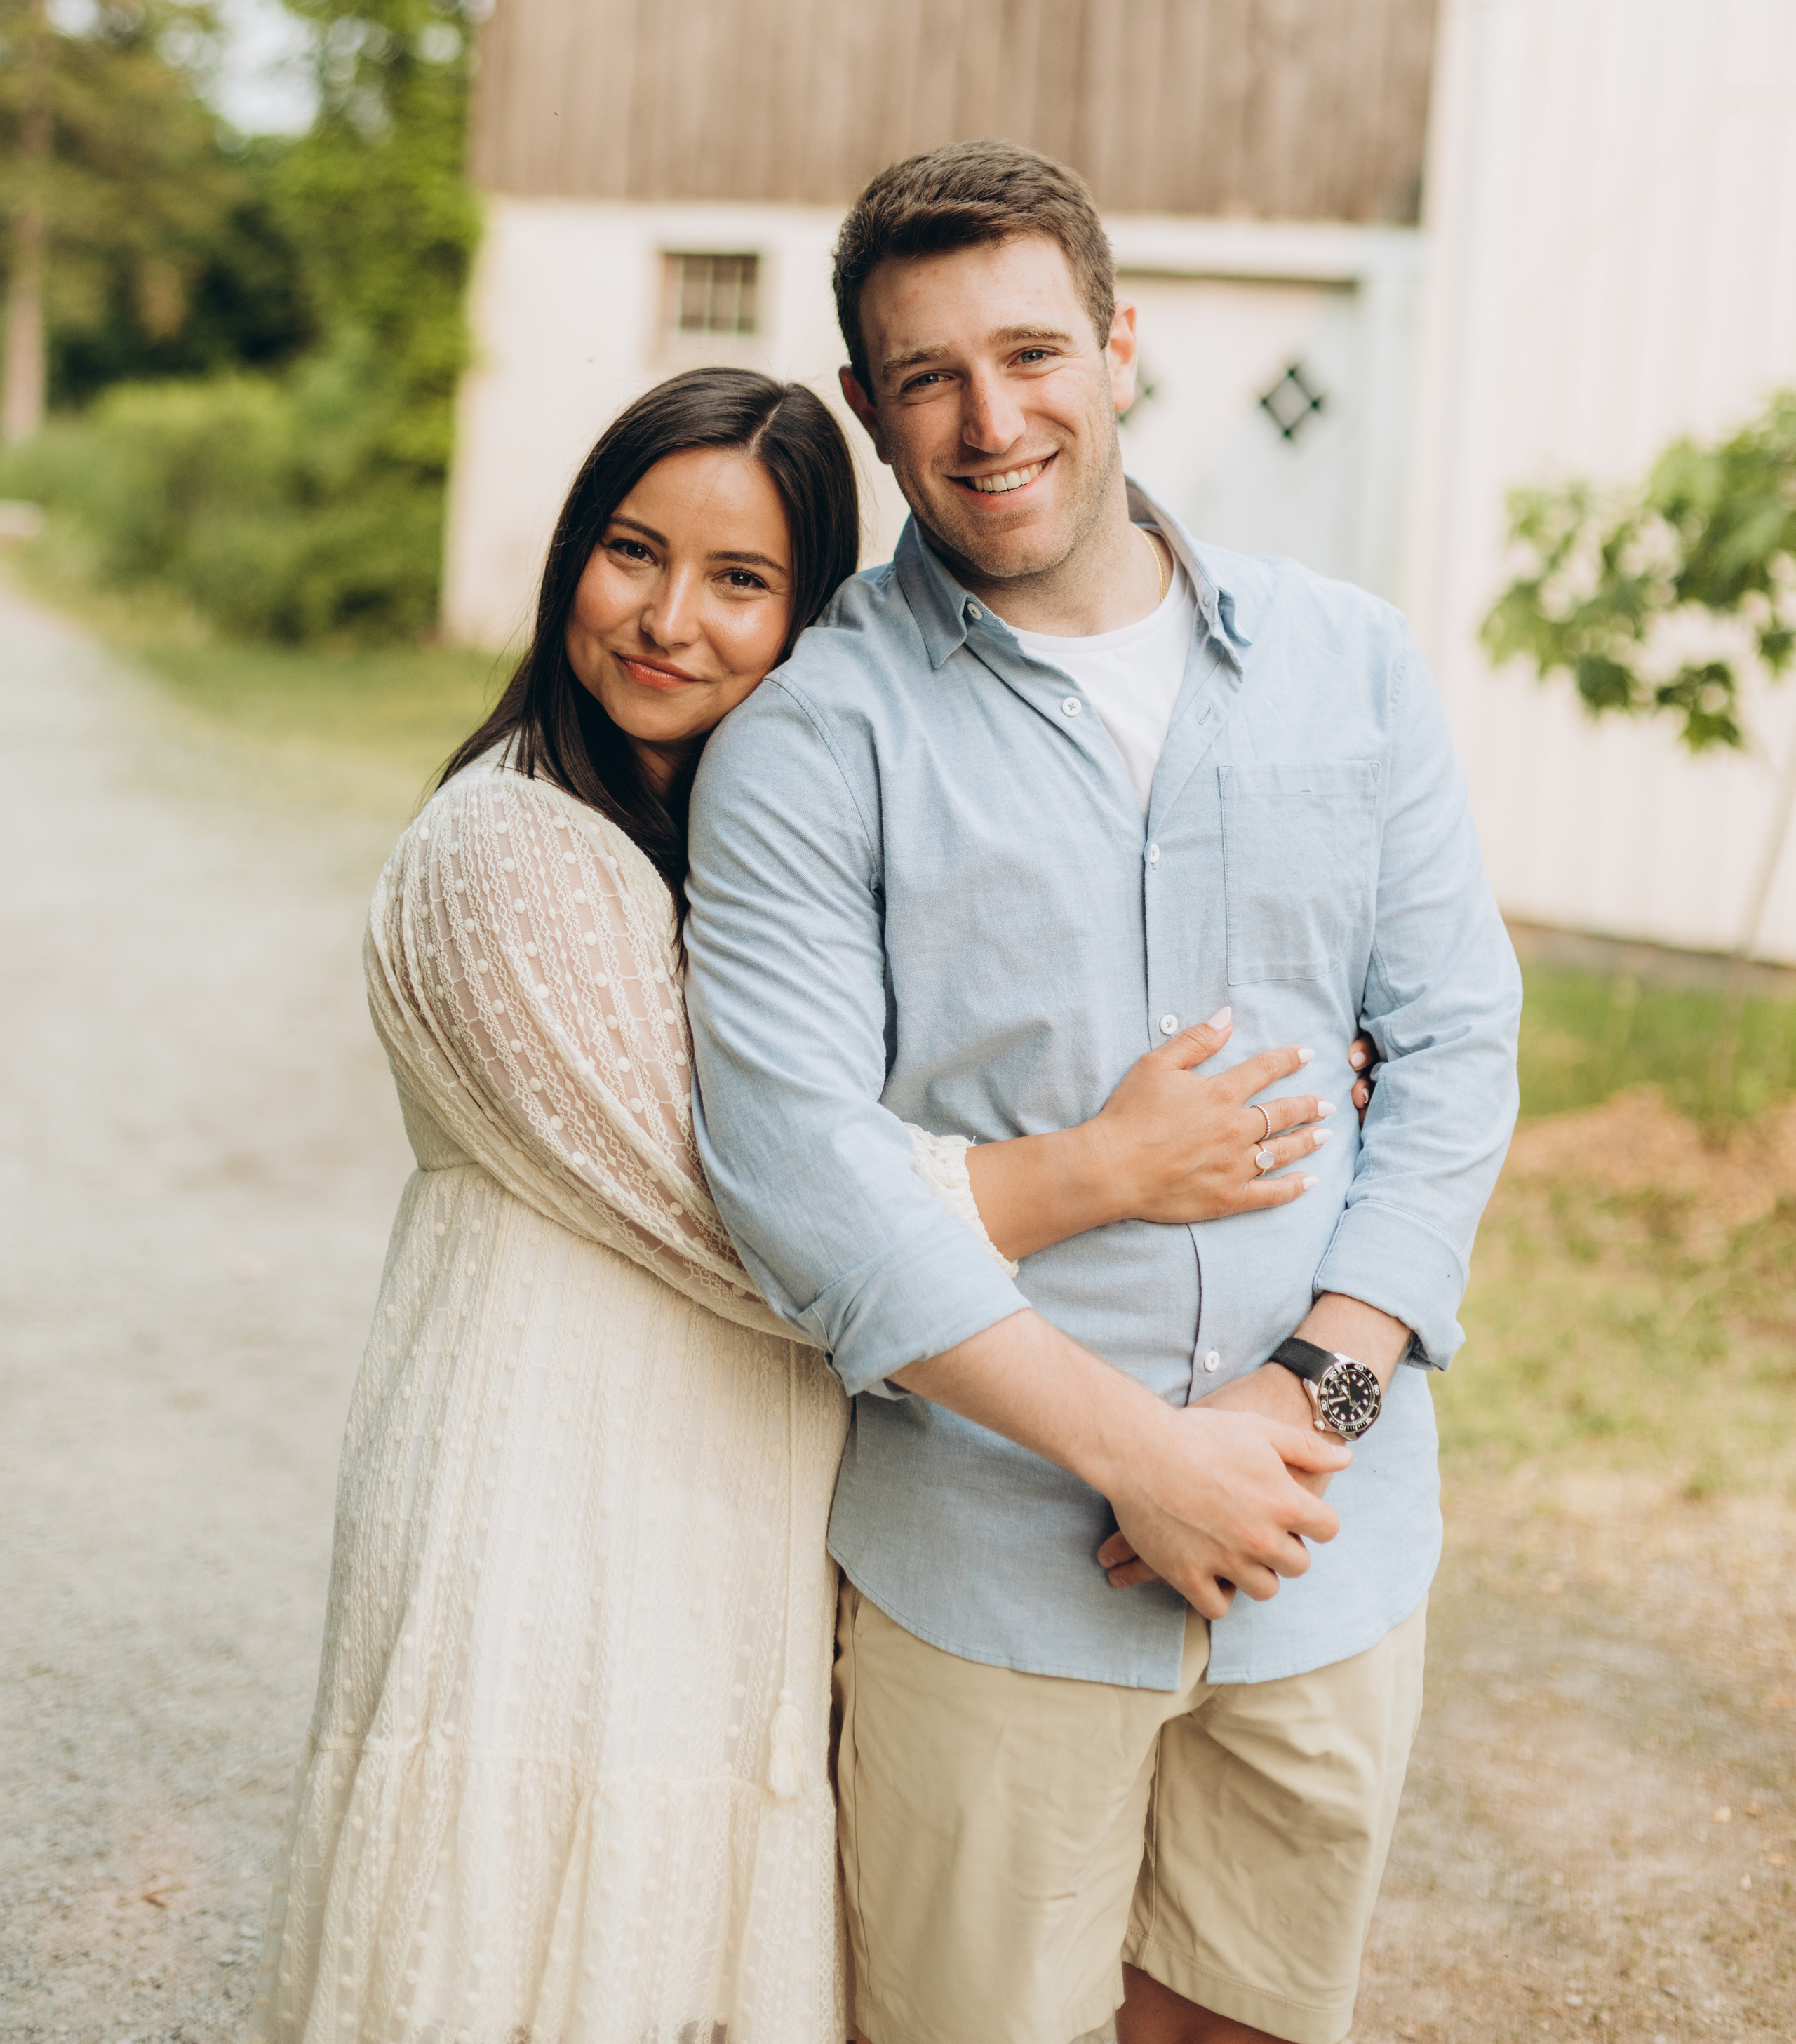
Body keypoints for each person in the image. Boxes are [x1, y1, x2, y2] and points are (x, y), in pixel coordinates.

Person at [246, 366, 1358, 2044]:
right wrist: (1108, 1167)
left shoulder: (738, 843)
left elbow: (919, 1076)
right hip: (540, 1485)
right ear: (569, 555)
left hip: (731, 1493)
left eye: (740, 579)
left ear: (804, 614)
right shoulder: (509, 851)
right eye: (633, 552)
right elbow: (756, 1215)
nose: (667, 619)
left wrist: (1284, 1071)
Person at [684, 141, 1524, 2044]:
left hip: (1323, 1543)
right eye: (929, 378)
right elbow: (804, 1173)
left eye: (1032, 353)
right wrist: (1142, 1455)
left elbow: (1456, 1044)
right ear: (866, 408)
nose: (992, 422)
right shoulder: (812, 740)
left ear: (1121, 344)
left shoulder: (1349, 663)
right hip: (993, 1575)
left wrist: (1306, 1396)